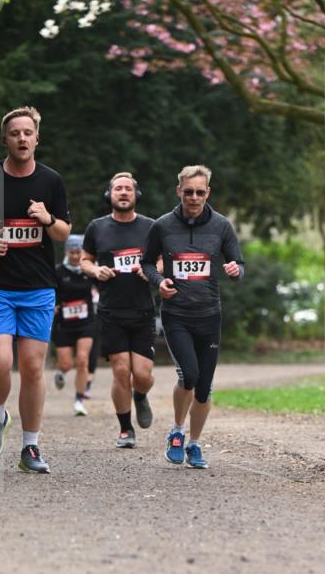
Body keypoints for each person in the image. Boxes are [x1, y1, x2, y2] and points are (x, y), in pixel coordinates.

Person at [0, 106, 71, 473]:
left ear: (37, 138)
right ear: (4, 139)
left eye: (27, 132)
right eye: (15, 133)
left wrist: (48, 219)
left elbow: (64, 232)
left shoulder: (51, 181)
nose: (22, 138)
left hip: (38, 287)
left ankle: (31, 448)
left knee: (33, 368)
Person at [141, 164, 243, 469]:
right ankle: (176, 431)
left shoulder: (222, 226)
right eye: (189, 192)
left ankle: (194, 444)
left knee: (205, 387)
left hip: (210, 315)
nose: (194, 197)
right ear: (179, 191)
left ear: (208, 192)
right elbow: (146, 264)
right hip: (176, 315)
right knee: (189, 374)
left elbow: (238, 261)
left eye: (200, 192)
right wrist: (160, 282)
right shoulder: (161, 226)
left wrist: (236, 269)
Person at [81, 172, 155, 448]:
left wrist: (152, 272)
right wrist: (95, 270)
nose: (123, 193)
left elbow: (162, 261)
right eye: (118, 189)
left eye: (128, 189)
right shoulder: (97, 227)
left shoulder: (150, 227)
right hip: (111, 311)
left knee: (143, 375)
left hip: (142, 310)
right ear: (109, 195)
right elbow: (85, 261)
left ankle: (140, 396)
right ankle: (125, 429)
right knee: (121, 371)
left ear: (136, 195)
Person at [53, 234, 97, 416]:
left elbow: (100, 287)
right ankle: (61, 373)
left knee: (82, 360)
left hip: (86, 322)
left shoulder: (89, 271)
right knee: (66, 363)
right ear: (66, 252)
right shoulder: (58, 272)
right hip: (64, 324)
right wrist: (53, 306)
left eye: (78, 252)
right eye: (72, 252)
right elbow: (51, 294)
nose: (75, 256)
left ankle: (79, 400)